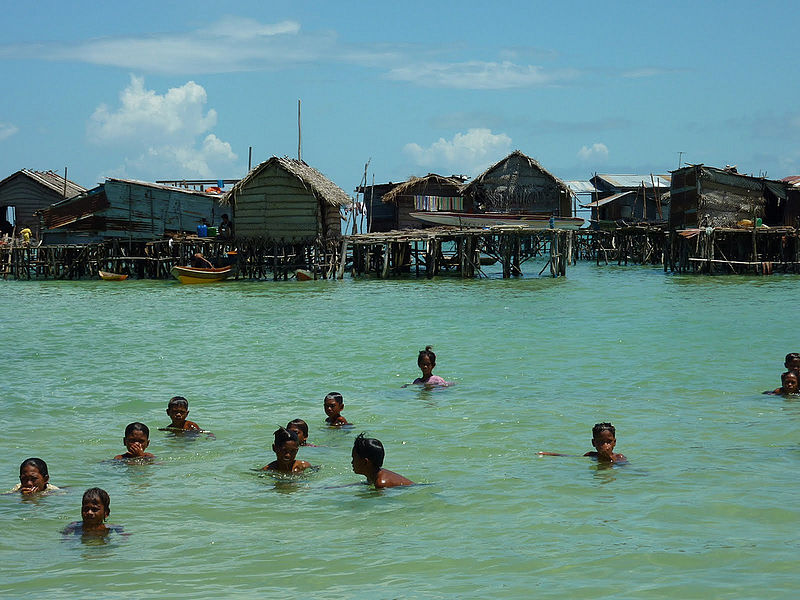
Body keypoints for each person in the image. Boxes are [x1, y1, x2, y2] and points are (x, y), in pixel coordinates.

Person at [538, 422, 627, 464]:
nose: (605, 445)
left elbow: (625, 468)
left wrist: (609, 457)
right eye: (600, 442)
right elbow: (571, 457)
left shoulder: (619, 457)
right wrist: (547, 453)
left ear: (614, 442)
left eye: (609, 442)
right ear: (593, 443)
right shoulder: (591, 455)